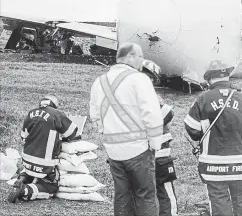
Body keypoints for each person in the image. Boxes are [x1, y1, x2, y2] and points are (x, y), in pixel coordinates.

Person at [89, 42, 164, 216]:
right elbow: (151, 114)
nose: (142, 61)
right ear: (130, 57)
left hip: (113, 151)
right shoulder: (139, 79)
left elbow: (95, 115)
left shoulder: (99, 81)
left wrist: (106, 133)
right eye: (140, 57)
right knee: (145, 195)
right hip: (138, 150)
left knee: (122, 195)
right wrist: (155, 144)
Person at [184, 60, 242, 216]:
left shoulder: (203, 99)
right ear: (227, 77)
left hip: (213, 165)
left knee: (219, 202)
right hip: (240, 164)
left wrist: (201, 139)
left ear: (210, 79)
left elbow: (191, 127)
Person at [8, 94, 79, 203]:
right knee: (51, 187)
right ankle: (25, 190)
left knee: (30, 172)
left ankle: (21, 180)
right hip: (44, 164)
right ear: (54, 105)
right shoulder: (57, 114)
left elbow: (23, 136)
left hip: (26, 161)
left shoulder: (31, 113)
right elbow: (72, 133)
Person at [155, 95, 178, 216]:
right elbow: (168, 112)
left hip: (133, 158)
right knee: (166, 195)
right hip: (159, 156)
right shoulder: (145, 93)